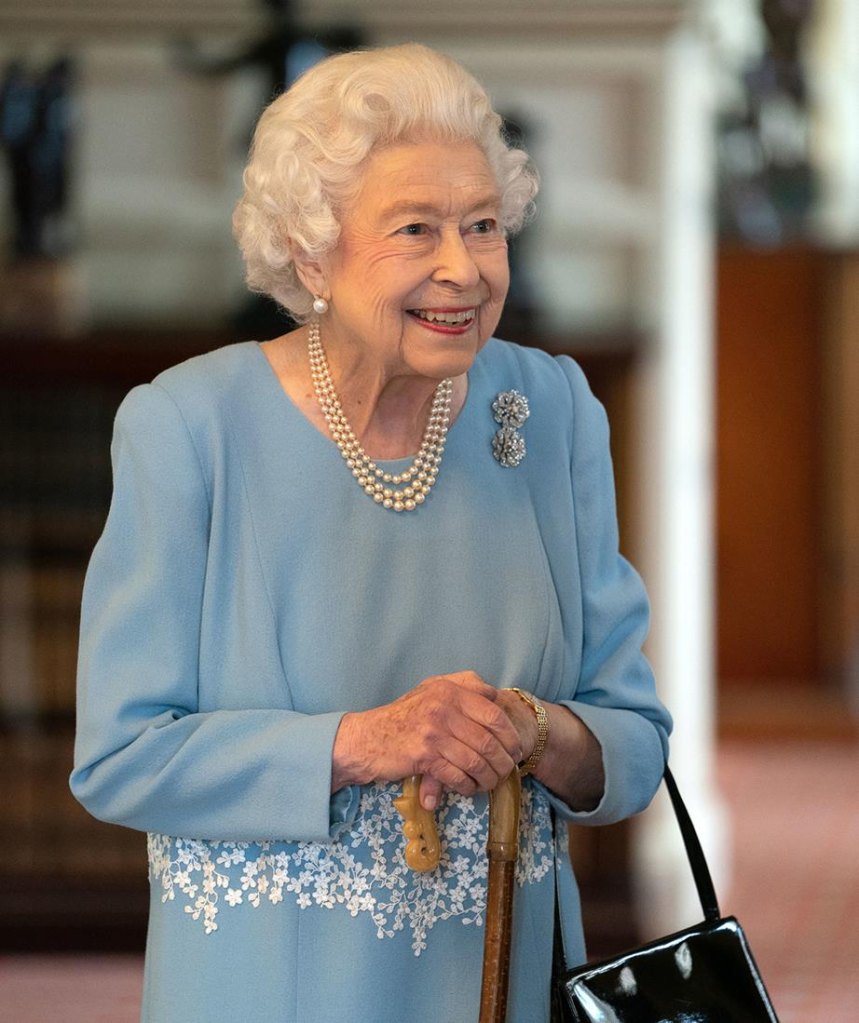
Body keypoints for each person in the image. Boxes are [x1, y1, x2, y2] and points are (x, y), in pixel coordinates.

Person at [71, 43, 671, 1023]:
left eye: (483, 225)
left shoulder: (550, 408)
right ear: (311, 253)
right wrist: (367, 741)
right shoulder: (191, 429)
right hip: (273, 988)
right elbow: (120, 756)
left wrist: (533, 731)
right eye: (415, 229)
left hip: (499, 983)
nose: (463, 268)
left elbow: (635, 742)